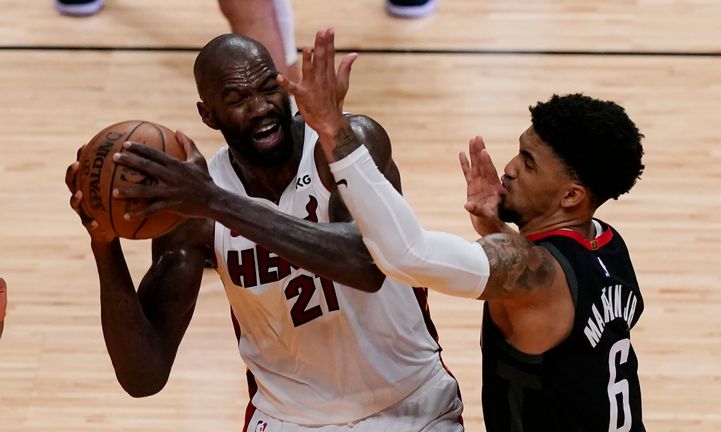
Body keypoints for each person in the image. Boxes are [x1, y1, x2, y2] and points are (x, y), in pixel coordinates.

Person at [65, 32, 463, 431]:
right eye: (237, 99)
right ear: (208, 116)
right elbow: (143, 376)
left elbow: (365, 265)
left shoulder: (345, 144)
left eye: (269, 88)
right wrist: (104, 243)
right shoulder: (192, 211)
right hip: (289, 416)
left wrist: (216, 203)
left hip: (410, 402)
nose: (260, 108)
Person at [279, 28, 647, 431]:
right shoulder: (608, 244)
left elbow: (406, 255)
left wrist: (333, 129)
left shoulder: (538, 277)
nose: (509, 167)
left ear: (571, 196)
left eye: (529, 162)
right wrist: (494, 226)